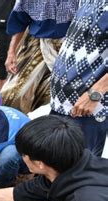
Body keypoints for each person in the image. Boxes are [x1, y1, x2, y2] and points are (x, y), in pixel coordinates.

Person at [50, 0, 107, 157]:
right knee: (54, 160)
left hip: (87, 106)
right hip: (62, 101)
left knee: (79, 169)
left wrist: (95, 94)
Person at [2, 0, 78, 113]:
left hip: (68, 48)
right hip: (36, 46)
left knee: (55, 96)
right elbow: (20, 21)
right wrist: (11, 52)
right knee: (14, 93)